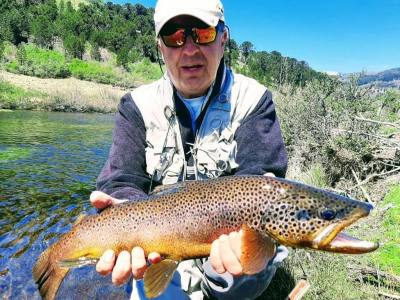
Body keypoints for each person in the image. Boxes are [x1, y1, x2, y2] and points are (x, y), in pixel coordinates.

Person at [90, 0, 288, 299]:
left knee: (241, 273)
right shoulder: (136, 106)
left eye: (202, 33)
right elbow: (122, 180)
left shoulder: (253, 100)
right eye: (175, 37)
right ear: (160, 47)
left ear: (223, 38)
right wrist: (124, 215)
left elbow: (261, 183)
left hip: (227, 244)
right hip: (159, 245)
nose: (190, 49)